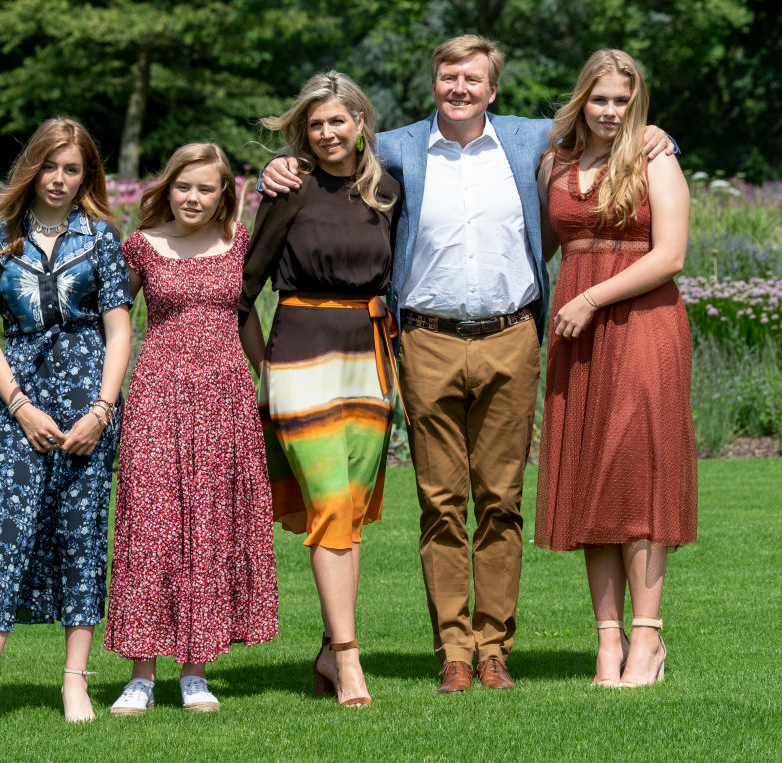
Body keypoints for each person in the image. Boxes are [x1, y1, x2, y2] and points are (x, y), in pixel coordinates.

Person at [261, 35, 675, 693]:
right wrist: (280, 168)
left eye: (472, 79)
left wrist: (657, 133)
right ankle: (454, 648)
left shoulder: (528, 139)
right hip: (425, 339)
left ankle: (493, 648)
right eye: (449, 77)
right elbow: (329, 151)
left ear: (492, 87)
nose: (460, 88)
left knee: (501, 500)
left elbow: (609, 120)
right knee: (441, 501)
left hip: (512, 336)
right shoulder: (396, 147)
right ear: (435, 82)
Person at [0, 117, 132, 734]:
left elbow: (120, 329)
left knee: (81, 536)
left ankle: (76, 681)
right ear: (33, 168)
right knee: (4, 532)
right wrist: (19, 404)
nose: (60, 179)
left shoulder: (101, 239)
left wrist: (103, 411)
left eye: (73, 169)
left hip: (88, 402)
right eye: (50, 166)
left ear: (87, 177)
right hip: (19, 404)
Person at [534, 49, 697, 688]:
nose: (609, 111)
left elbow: (672, 254)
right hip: (578, 336)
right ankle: (607, 641)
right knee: (589, 475)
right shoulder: (554, 161)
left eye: (622, 101)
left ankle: (648, 641)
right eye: (599, 99)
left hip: (642, 325)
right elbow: (534, 242)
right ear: (583, 99)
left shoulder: (656, 156)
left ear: (638, 104)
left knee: (639, 474)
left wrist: (590, 297)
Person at [240, 71, 401, 708]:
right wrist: (265, 370)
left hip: (370, 356)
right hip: (301, 357)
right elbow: (244, 289)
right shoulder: (289, 188)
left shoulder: (389, 189)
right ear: (303, 132)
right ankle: (350, 662)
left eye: (339, 120)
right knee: (332, 505)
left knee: (348, 515)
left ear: (361, 122)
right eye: (316, 124)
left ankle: (332, 653)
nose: (329, 133)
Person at [104, 143, 278, 715]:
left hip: (226, 396)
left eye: (206, 188)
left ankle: (196, 671)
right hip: (158, 395)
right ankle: (141, 674)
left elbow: (246, 315)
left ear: (225, 192)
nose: (193, 197)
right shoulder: (141, 246)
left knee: (208, 528)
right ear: (167, 188)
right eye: (183, 186)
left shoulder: (240, 243)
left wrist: (268, 379)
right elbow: (112, 320)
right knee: (150, 524)